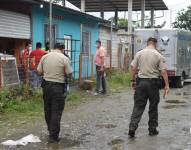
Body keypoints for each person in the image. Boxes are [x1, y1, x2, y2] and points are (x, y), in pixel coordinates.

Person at [128, 37, 170, 138]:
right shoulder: (158, 55)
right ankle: (152, 130)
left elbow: (133, 68)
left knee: (138, 106)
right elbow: (163, 72)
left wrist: (133, 81)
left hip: (141, 83)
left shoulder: (139, 53)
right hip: (153, 84)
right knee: (153, 107)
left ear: (147, 43)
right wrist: (167, 86)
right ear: (155, 44)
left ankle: (132, 129)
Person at [37, 43, 73, 143]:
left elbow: (39, 72)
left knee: (47, 110)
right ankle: (53, 136)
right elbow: (69, 74)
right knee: (56, 111)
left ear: (54, 48)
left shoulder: (45, 56)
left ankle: (50, 130)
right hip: (58, 87)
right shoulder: (64, 58)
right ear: (62, 49)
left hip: (46, 87)